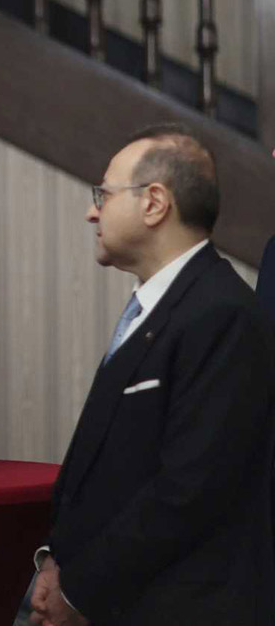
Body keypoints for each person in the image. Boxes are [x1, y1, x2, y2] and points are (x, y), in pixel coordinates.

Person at [30, 125, 275, 625]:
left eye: (104, 195)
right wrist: (57, 561)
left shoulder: (221, 313)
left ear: (155, 203)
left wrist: (79, 591)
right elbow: (105, 463)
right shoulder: (155, 307)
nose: (92, 211)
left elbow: (188, 492)